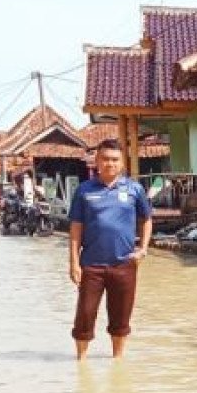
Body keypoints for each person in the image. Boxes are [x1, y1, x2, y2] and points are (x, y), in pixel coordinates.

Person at [67, 139, 152, 361]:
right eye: (105, 159)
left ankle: (118, 361)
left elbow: (146, 219)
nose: (110, 164)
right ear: (97, 161)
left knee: (121, 318)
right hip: (91, 266)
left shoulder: (134, 189)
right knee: (84, 315)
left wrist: (143, 248)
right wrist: (74, 263)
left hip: (124, 264)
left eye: (115, 159)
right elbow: (76, 228)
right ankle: (81, 363)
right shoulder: (84, 191)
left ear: (122, 162)